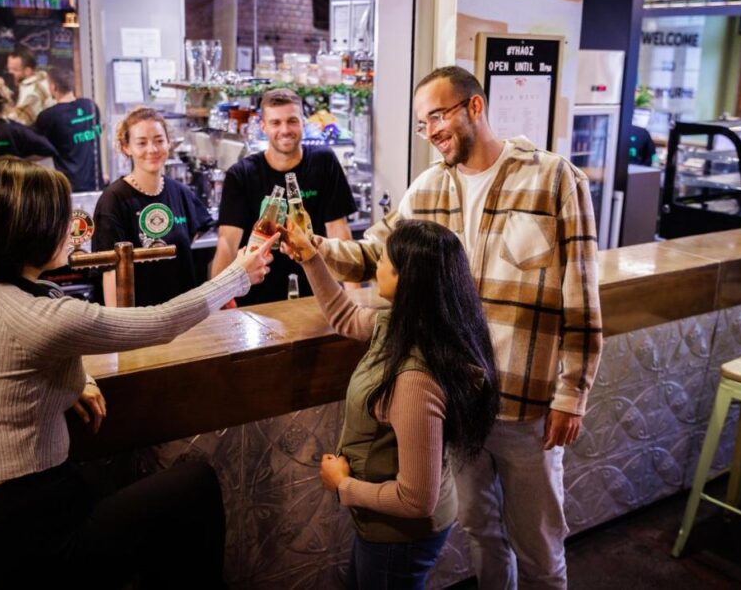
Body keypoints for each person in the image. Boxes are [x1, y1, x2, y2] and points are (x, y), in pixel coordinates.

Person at [312, 66, 603, 589]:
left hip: (526, 404)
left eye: (438, 115)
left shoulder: (554, 177)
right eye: (423, 123)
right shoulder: (426, 188)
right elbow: (376, 255)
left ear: (475, 106)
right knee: (481, 534)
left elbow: (581, 293)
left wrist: (573, 391)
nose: (432, 131)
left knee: (539, 546)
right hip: (458, 406)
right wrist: (313, 249)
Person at [0, 156, 276, 588]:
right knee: (195, 485)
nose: (74, 229)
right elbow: (162, 322)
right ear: (30, 231)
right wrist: (237, 276)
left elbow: (5, 364)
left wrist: (76, 379)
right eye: (64, 219)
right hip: (44, 541)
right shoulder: (42, 318)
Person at [281, 218, 499, 590]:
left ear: (405, 279)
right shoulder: (404, 326)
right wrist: (311, 258)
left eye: (383, 259)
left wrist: (343, 485)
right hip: (385, 528)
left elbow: (416, 500)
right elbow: (346, 317)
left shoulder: (415, 380)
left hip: (401, 535)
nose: (376, 266)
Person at [211, 88, 357, 305]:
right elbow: (227, 243)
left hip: (317, 293)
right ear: (263, 127)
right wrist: (217, 301)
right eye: (276, 123)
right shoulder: (241, 174)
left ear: (303, 123)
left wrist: (353, 296)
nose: (285, 129)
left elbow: (338, 230)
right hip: (257, 298)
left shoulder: (324, 162)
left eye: (292, 121)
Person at [93, 107, 214, 307]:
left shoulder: (181, 193)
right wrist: (120, 330)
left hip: (184, 317)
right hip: (140, 323)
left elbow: (198, 248)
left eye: (159, 140)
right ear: (126, 147)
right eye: (141, 143)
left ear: (168, 143)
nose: (152, 149)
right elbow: (110, 272)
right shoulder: (113, 200)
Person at [35, 66, 103, 191]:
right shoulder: (90, 106)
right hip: (97, 184)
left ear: (53, 87)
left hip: (71, 189)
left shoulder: (49, 116)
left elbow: (36, 149)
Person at [7, 47, 54, 125]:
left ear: (28, 71)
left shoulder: (32, 93)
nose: (10, 73)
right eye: (9, 69)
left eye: (15, 70)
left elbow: (16, 122)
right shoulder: (42, 78)